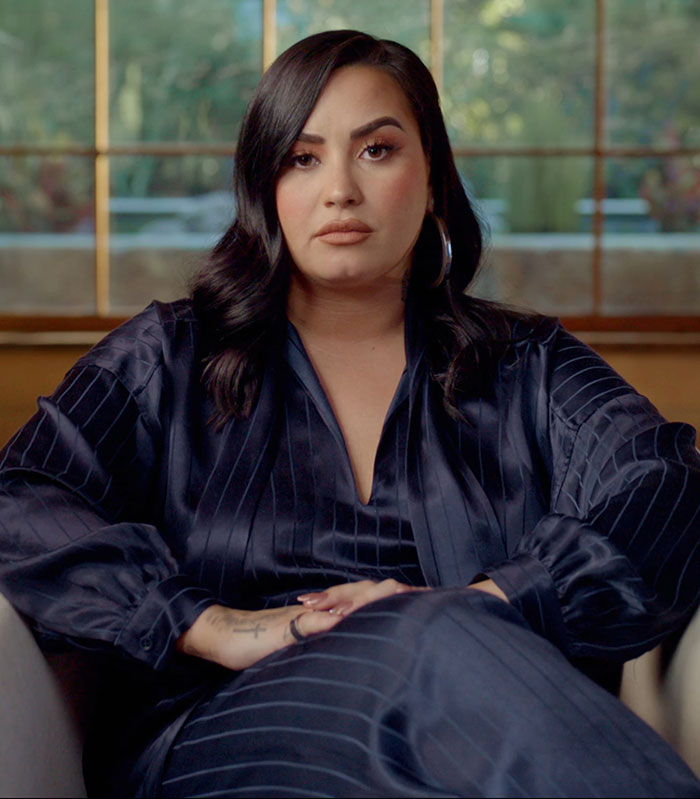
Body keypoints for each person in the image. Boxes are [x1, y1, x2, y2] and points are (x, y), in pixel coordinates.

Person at [1, 29, 700, 798]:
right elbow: (21, 498)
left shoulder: (527, 366)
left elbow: (667, 482)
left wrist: (491, 601)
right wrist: (213, 624)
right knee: (434, 634)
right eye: (302, 158)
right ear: (266, 185)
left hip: (478, 748)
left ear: (432, 178)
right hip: (227, 749)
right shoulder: (168, 356)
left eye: (377, 150)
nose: (339, 189)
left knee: (446, 632)